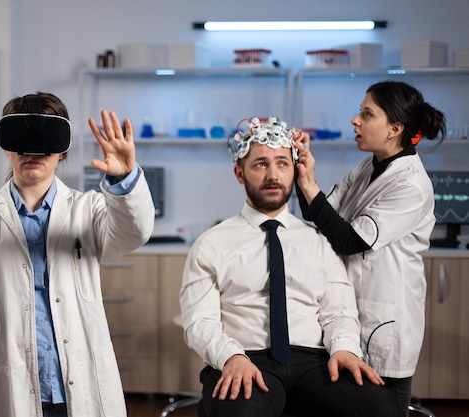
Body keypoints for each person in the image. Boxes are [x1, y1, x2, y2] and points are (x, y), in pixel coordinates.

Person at [0, 92, 155, 417]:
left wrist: (123, 179)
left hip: (76, 385)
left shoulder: (88, 210)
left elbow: (135, 231)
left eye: (45, 141)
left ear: (62, 150)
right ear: (6, 147)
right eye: (21, 140)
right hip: (9, 386)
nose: (33, 152)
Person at [179, 117, 404, 417]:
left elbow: (339, 312)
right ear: (239, 173)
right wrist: (231, 357)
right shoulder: (210, 244)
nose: (273, 175)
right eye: (260, 164)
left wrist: (345, 349)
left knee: (381, 408)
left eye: (282, 164)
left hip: (315, 363)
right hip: (245, 358)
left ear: (295, 170)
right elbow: (199, 322)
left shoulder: (319, 241)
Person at [294, 81, 446, 415]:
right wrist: (301, 171)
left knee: (384, 411)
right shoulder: (369, 166)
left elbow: (349, 241)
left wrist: (310, 188)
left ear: (395, 128)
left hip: (385, 321)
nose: (355, 120)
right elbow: (317, 211)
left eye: (366, 114)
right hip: (349, 313)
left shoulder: (410, 184)